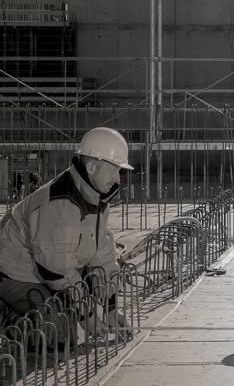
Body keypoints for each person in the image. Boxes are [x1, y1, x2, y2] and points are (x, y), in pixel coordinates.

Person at [0, 127, 134, 340]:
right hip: (14, 274)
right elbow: (56, 270)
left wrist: (110, 307)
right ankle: (6, 316)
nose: (117, 178)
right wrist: (87, 316)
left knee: (76, 301)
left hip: (44, 270)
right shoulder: (60, 204)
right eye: (113, 170)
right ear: (91, 167)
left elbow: (103, 255)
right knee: (58, 334)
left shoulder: (96, 199)